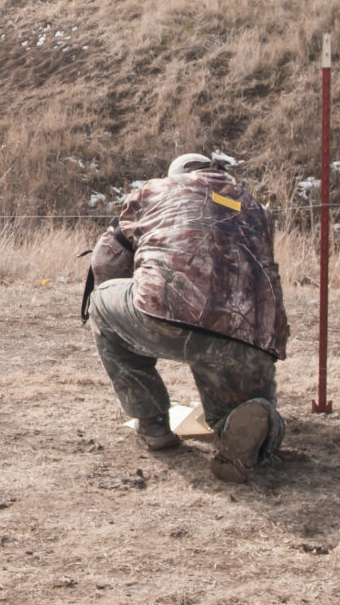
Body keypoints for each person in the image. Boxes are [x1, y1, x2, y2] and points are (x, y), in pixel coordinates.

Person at [84, 153, 289, 483]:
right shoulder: (254, 208)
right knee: (243, 406)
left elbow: (106, 261)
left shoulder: (156, 190)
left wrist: (134, 302)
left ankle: (152, 424)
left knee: (101, 304)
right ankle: (256, 419)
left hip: (172, 315)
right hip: (252, 334)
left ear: (175, 174)